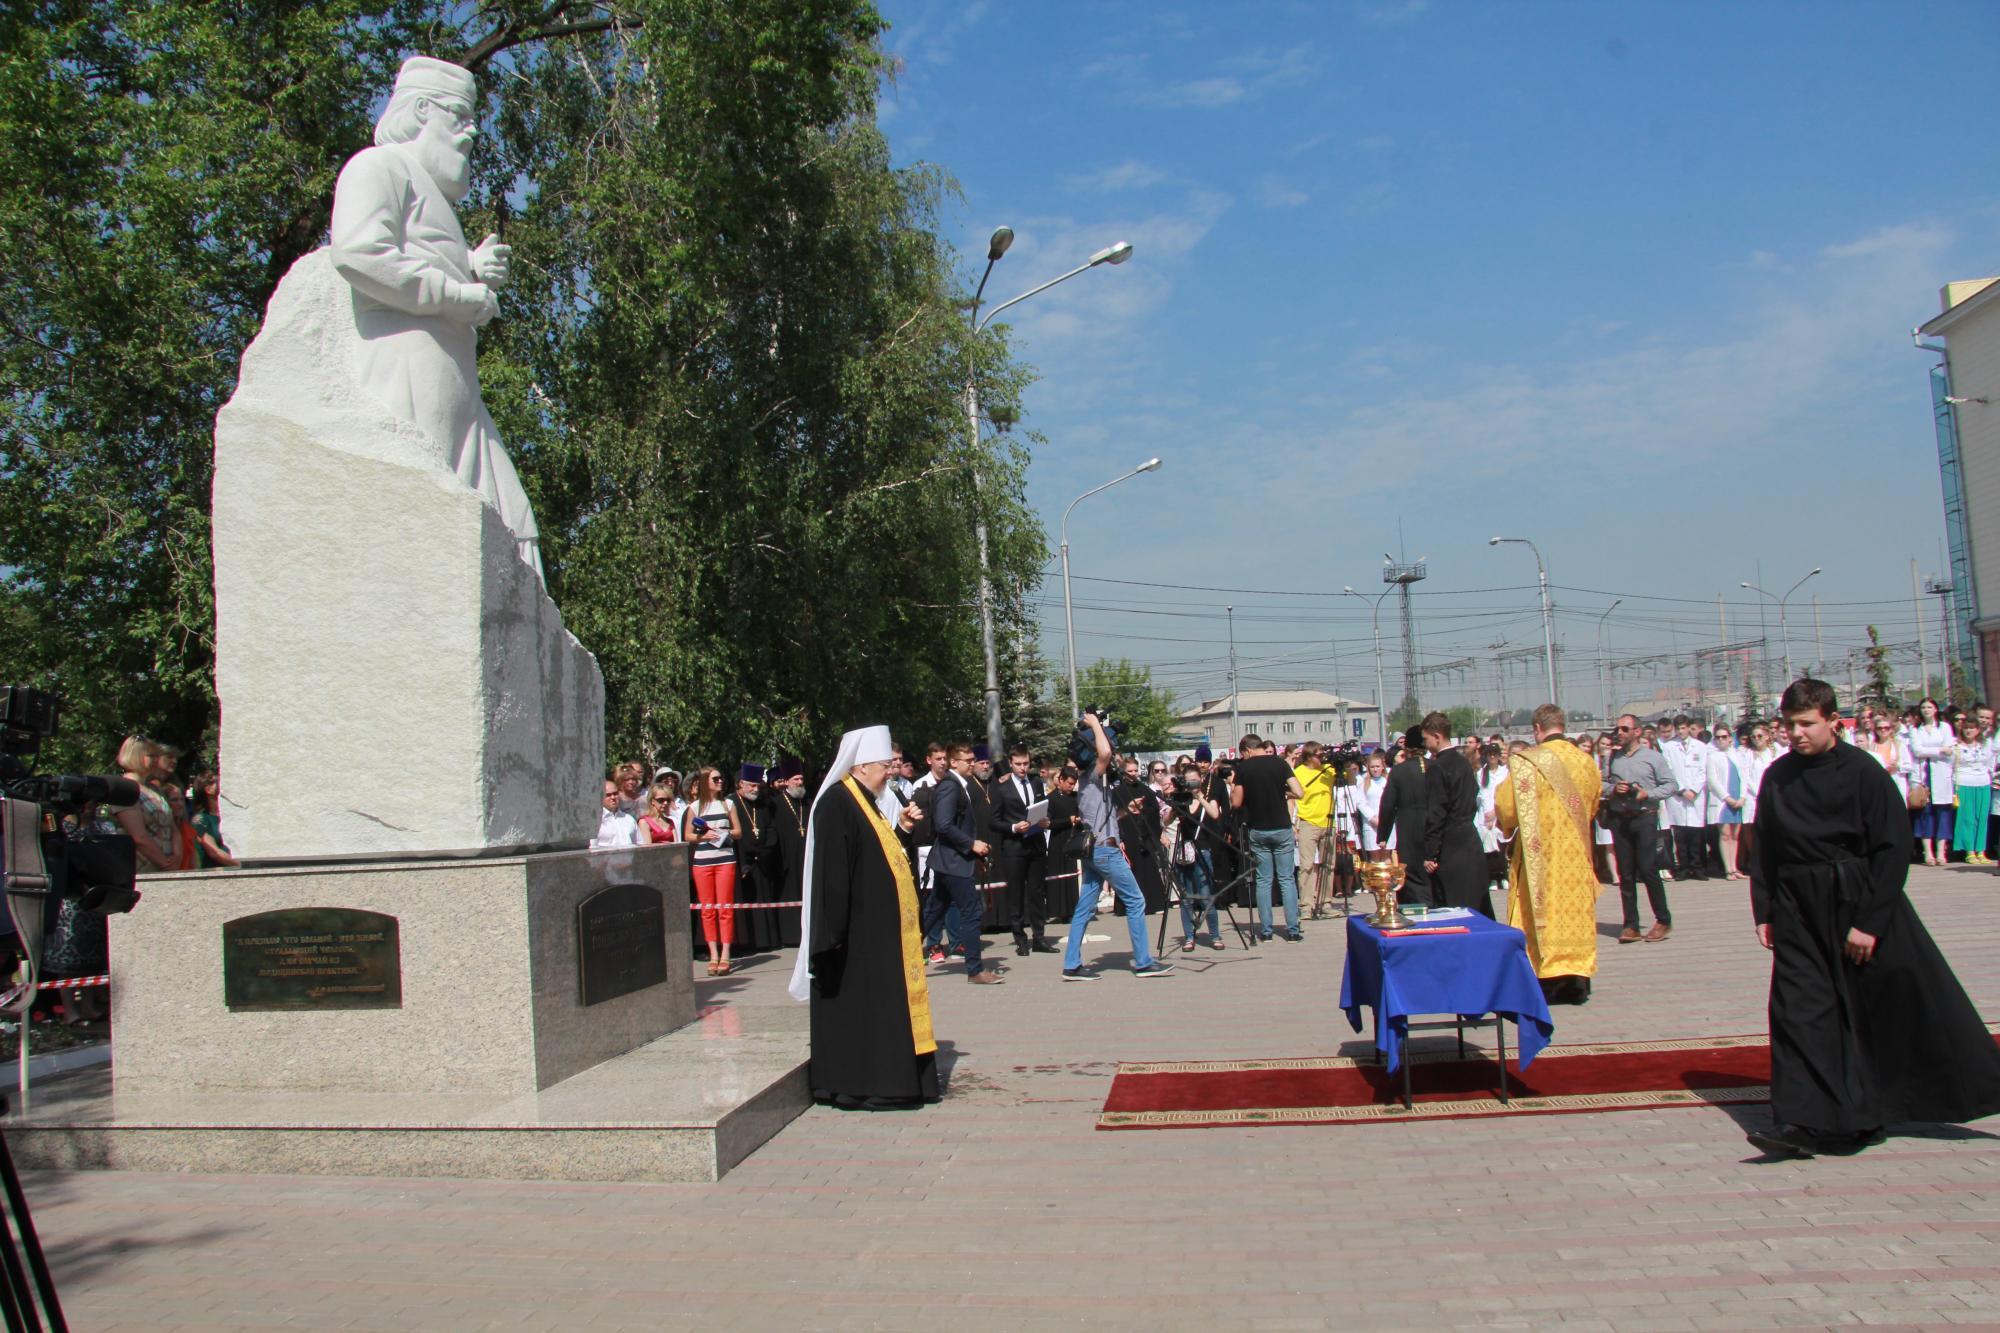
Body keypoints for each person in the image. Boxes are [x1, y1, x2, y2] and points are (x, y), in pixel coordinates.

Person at [1746, 679, 2000, 1157]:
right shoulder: (1777, 776)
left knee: (1874, 1009)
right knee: (1797, 1010)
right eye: (1789, 725)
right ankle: (1801, 1122)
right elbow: (1767, 848)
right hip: (1797, 905)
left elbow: (1892, 847)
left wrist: (1870, 921)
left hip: (1853, 899)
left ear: (1832, 721)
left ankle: (1866, 1114)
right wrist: (1765, 910)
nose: (1796, 734)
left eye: (1806, 724)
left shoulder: (1863, 771)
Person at [788, 724, 937, 1111]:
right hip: (855, 936)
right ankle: (864, 1085)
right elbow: (834, 876)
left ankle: (889, 1081)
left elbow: (878, 859)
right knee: (863, 1013)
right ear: (861, 766)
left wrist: (903, 829)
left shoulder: (865, 800)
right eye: (885, 765)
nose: (890, 772)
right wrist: (832, 936)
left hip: (877, 933)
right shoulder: (837, 803)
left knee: (883, 1012)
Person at [1494, 705, 1601, 1004]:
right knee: (1574, 915)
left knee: (1543, 914)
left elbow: (1507, 807)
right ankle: (1577, 981)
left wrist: (1506, 825)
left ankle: (1546, 981)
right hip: (1575, 855)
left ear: (1537, 729)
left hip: (1538, 856)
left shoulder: (1528, 762)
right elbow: (1592, 805)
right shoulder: (1585, 761)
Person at [1062, 713, 1174, 980]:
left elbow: (1103, 815)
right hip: (1105, 851)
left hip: (1095, 851)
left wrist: (1126, 811)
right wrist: (1095, 724)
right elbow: (1104, 752)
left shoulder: (1093, 784)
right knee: (1136, 901)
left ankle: (1071, 965)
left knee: (1084, 908)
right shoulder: (1090, 777)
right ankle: (1144, 962)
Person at [922, 744, 1001, 983]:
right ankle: (975, 970)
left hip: (952, 861)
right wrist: (971, 844)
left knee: (933, 912)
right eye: (966, 759)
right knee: (971, 911)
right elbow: (943, 825)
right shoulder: (949, 786)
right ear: (953, 762)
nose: (971, 763)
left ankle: (900, 954)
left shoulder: (960, 786)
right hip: (952, 862)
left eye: (972, 759)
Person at [1602, 714, 1677, 944]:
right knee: (1625, 873)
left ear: (1637, 732)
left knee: (1647, 868)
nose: (1620, 733)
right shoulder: (1612, 758)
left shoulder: (1653, 758)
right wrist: (1615, 789)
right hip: (1620, 818)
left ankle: (1663, 919)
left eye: (1625, 729)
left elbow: (1671, 785)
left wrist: (1648, 794)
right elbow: (1601, 784)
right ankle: (1631, 924)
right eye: (1618, 729)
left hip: (1645, 816)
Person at [1230, 734, 1306, 941]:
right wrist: (1283, 793)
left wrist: (1233, 786)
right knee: (1287, 879)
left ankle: (1266, 930)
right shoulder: (1280, 764)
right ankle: (1293, 929)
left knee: (1263, 880)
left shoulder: (1243, 769)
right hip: (1282, 826)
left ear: (1246, 750)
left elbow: (1236, 802)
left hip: (1258, 829)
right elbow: (1299, 792)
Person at [1419, 713, 1493, 917]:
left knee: (1453, 908)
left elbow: (1437, 811)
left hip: (1450, 845)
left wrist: (1430, 851)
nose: (1425, 745)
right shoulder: (1463, 763)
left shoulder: (1438, 767)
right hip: (1469, 839)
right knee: (1476, 905)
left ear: (1436, 736)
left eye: (1426, 739)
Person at [990, 745, 1054, 957]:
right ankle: (1020, 939)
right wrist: (1013, 827)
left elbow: (1043, 807)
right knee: (1016, 894)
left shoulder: (1036, 782)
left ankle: (1040, 937)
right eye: (1018, 764)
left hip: (1035, 843)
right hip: (1014, 846)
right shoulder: (1001, 787)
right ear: (1011, 763)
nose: (1022, 768)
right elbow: (994, 821)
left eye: (1026, 763)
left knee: (1037, 892)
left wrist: (1044, 821)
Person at [681, 766, 742, 977]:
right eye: (715, 779)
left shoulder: (728, 804)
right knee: (707, 909)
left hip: (725, 859)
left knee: (725, 907)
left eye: (721, 778)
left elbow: (738, 831)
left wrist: (723, 833)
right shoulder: (694, 807)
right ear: (706, 781)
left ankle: (726, 954)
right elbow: (687, 835)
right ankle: (713, 954)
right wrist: (704, 837)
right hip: (703, 861)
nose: (720, 782)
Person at [1166, 763, 1227, 950]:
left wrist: (1199, 797)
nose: (1192, 784)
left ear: (1200, 780)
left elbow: (1215, 814)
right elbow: (1166, 821)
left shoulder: (1207, 796)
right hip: (1184, 851)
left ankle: (1215, 935)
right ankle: (1189, 937)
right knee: (1186, 897)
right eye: (1188, 780)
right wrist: (1174, 805)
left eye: (1195, 780)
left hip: (1203, 850)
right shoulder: (1180, 799)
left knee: (1206, 894)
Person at [1375, 727, 1430, 906]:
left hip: (1407, 826)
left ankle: (1412, 907)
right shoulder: (1435, 766)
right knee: (1430, 868)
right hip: (1433, 825)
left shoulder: (1399, 771)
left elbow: (1388, 804)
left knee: (1410, 869)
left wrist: (1383, 833)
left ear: (1407, 747)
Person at [763, 757, 809, 947]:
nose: (799, 783)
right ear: (787, 780)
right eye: (796, 779)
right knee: (788, 893)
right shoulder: (776, 804)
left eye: (801, 779)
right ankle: (790, 935)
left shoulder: (806, 802)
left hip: (805, 855)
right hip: (786, 856)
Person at [1907, 697, 1956, 865]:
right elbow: (1917, 751)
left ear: (1935, 709)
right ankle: (1928, 852)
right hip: (1923, 775)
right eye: (1923, 707)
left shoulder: (1944, 728)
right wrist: (1939, 749)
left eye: (1929, 707)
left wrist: (1933, 751)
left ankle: (1941, 852)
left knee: (1942, 812)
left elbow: (1949, 749)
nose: (1926, 710)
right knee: (1924, 814)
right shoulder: (1915, 729)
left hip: (1941, 773)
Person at [1292, 743, 1338, 918]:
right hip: (1307, 822)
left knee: (1329, 865)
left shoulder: (1329, 770)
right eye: (1318, 755)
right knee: (1307, 865)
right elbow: (1290, 795)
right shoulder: (1298, 773)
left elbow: (1349, 779)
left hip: (1328, 822)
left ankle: (1325, 902)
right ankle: (1306, 904)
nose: (1322, 758)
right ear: (1309, 756)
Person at [1949, 714, 1995, 866]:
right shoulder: (1956, 745)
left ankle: (1981, 851)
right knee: (1968, 818)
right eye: (1966, 728)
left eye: (1972, 728)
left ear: (1977, 730)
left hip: (1983, 782)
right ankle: (1969, 851)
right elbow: (1951, 766)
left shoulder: (1985, 744)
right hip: (1964, 782)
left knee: (1982, 818)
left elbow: (1990, 762)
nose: (1969, 731)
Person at [1706, 726, 1749, 881]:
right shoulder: (1712, 757)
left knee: (1735, 835)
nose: (1721, 740)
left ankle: (1735, 866)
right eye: (1718, 737)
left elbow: (1744, 777)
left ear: (1730, 738)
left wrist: (1743, 797)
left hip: (1738, 798)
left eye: (1724, 737)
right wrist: (1727, 797)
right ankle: (1728, 869)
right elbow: (1712, 780)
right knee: (1725, 834)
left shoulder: (1738, 755)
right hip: (1723, 802)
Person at [187, 772, 239, 869]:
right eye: (219, 783)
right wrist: (241, 864)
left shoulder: (228, 817)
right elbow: (214, 852)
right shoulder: (201, 820)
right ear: (208, 789)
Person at [1355, 751, 1392, 860]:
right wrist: (1371, 817)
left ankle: (1386, 877)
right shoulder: (1364, 783)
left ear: (1383, 767)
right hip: (1371, 824)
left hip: (1388, 823)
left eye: (1377, 766)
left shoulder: (1388, 782)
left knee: (1386, 856)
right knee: (1374, 856)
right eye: (1372, 767)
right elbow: (1360, 802)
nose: (1375, 769)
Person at [590, 778, 640, 850]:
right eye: (608, 795)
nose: (613, 797)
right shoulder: (595, 821)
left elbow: (640, 844)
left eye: (615, 794)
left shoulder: (629, 819)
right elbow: (592, 848)